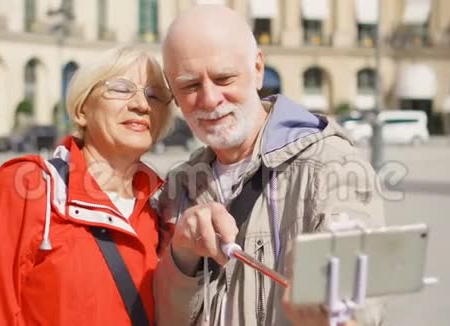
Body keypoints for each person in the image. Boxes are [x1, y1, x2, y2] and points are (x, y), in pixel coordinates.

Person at [154, 5, 385, 326]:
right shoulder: (178, 187)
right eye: (190, 86)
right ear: (174, 94)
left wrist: (332, 317)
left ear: (258, 68)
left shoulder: (331, 166)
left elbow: (360, 298)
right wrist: (181, 256)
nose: (209, 99)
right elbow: (167, 318)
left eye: (224, 78)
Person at [0, 46, 174, 325]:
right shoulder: (28, 189)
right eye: (120, 88)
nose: (142, 104)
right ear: (82, 110)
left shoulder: (166, 208)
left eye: (154, 95)